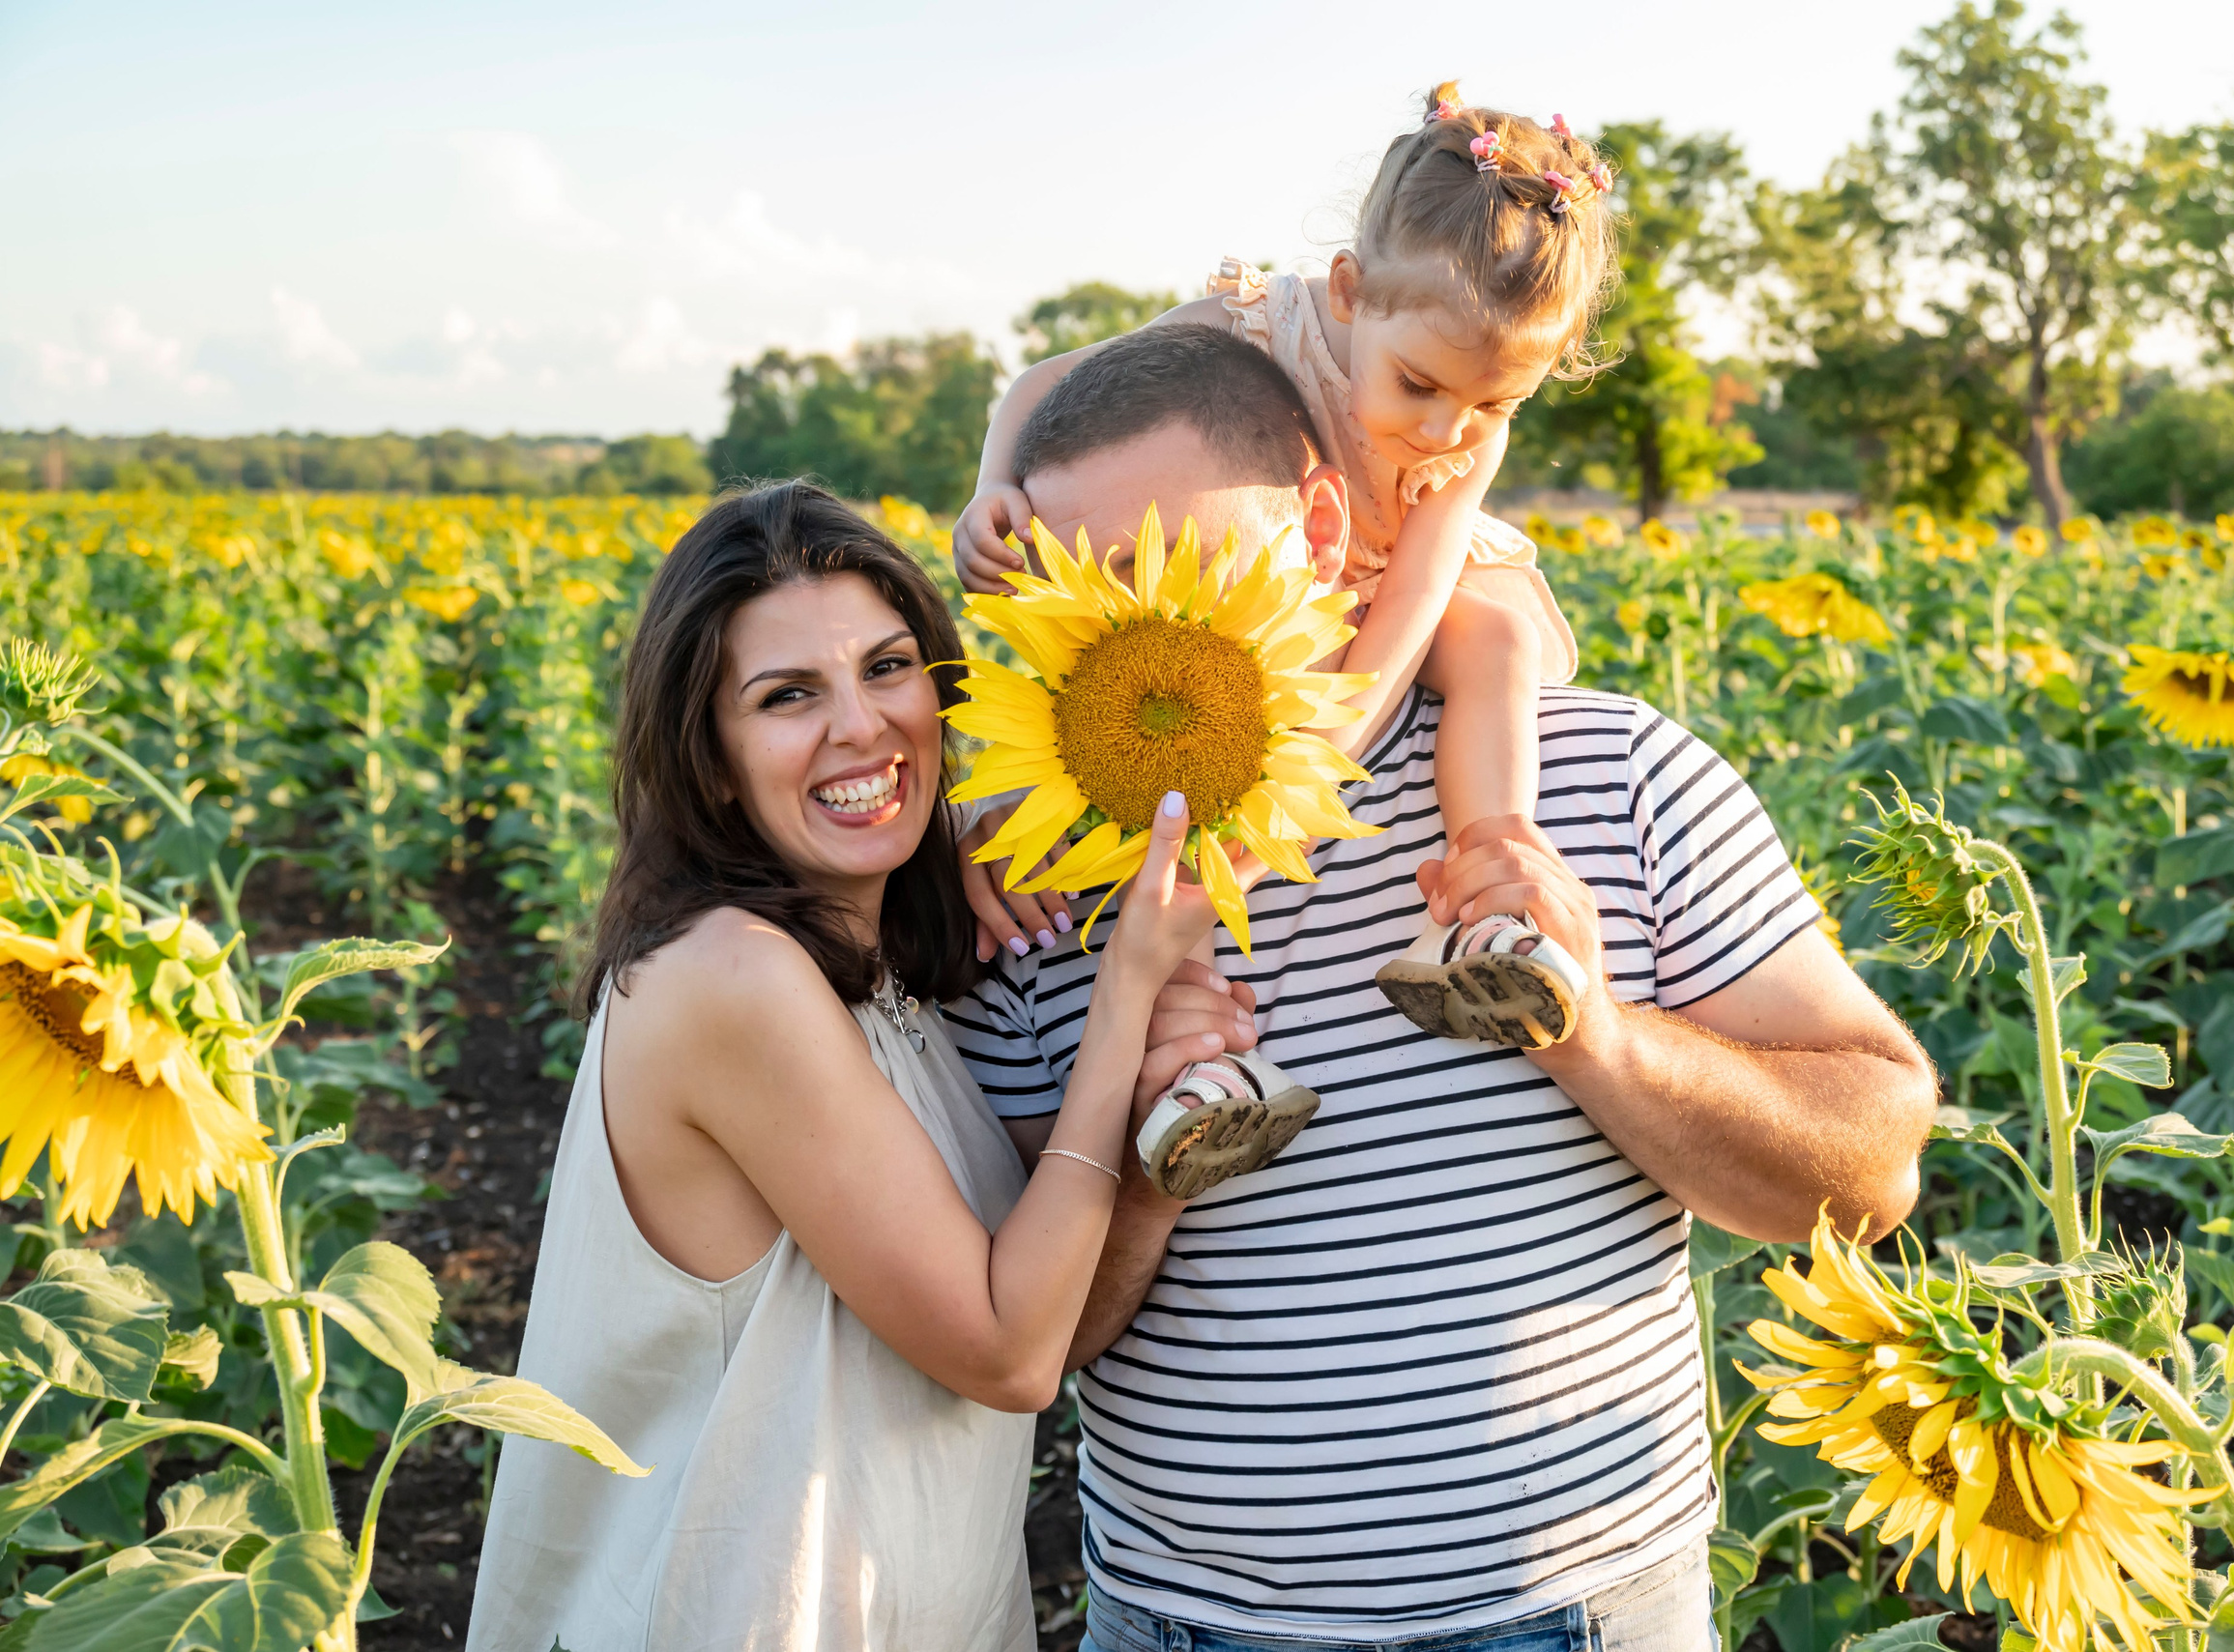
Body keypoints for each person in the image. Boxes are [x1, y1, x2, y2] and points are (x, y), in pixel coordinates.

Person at [942, 324, 1940, 1650]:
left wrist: (1596, 1036)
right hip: (1195, 1624)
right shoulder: (1019, 881)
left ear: (1314, 528)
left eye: (1171, 562)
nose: (1140, 628)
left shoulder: (1602, 781)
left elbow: (1872, 1170)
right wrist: (1134, 1138)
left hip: (1577, 1611)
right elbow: (1031, 1344)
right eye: (1090, 587)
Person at [467, 482, 1231, 1651]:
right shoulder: (734, 980)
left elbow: (1038, 1293)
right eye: (786, 697)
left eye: (887, 668)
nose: (863, 728)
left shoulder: (874, 978)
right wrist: (1125, 991)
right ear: (710, 760)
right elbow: (1010, 1349)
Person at [955, 85, 1618, 1113]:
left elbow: (1415, 602)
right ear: (1349, 291)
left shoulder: (1464, 438)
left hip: (1383, 588)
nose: (1447, 431)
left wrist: (1309, 759)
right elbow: (1040, 389)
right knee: (1156, 778)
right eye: (1418, 386)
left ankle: (1492, 887)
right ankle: (1191, 1053)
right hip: (1248, 589)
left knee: (1493, 634)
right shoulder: (1246, 319)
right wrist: (994, 486)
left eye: (1495, 404)